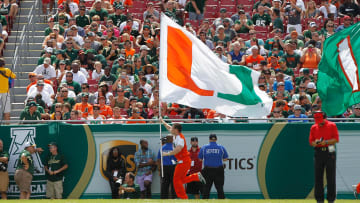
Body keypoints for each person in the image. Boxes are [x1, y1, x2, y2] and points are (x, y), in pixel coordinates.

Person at [160, 119, 206, 199]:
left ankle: (183, 198)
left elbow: (177, 150)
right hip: (183, 161)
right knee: (181, 180)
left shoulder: (180, 139)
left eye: (173, 128)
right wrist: (162, 121)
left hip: (183, 161)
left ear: (176, 130)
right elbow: (168, 127)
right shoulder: (176, 135)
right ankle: (196, 176)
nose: (171, 129)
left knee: (176, 180)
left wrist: (166, 154)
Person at [309, 111, 339, 203]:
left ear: (324, 118)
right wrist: (317, 142)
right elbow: (311, 142)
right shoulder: (314, 127)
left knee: (331, 176)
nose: (318, 122)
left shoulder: (332, 125)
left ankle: (331, 199)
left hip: (329, 151)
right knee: (318, 177)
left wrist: (325, 142)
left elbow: (336, 139)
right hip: (318, 152)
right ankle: (319, 199)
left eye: (320, 120)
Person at [199, 134, 228, 199]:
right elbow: (225, 159)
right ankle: (221, 200)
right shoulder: (221, 147)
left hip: (208, 170)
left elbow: (200, 159)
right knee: (220, 188)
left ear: (209, 139)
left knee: (206, 188)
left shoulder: (204, 148)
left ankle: (205, 201)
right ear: (216, 139)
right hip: (218, 170)